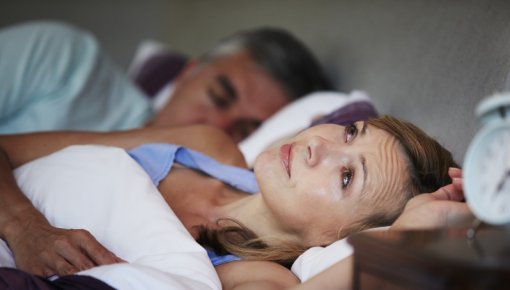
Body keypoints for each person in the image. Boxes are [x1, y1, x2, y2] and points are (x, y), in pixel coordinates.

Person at [0, 116, 472, 289]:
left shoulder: (258, 276)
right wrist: (23, 225)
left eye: (346, 176)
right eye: (351, 132)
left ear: (335, 240)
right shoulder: (205, 146)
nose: (319, 147)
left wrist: (415, 234)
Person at [0, 21, 332, 142]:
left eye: (245, 132)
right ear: (188, 73)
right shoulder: (65, 58)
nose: (215, 127)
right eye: (218, 96)